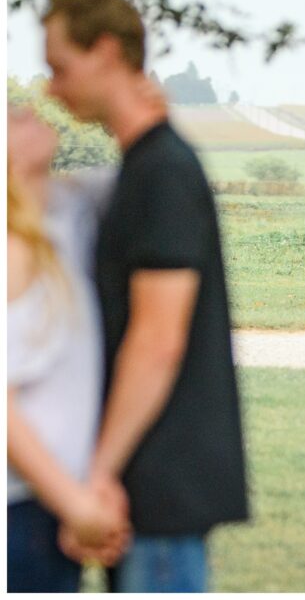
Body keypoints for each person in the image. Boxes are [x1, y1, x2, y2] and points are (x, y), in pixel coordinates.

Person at [42, 0, 250, 593]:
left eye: (60, 66)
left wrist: (97, 475)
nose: (52, 86)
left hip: (159, 484)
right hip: (145, 478)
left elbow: (158, 341)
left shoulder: (161, 174)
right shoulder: (143, 167)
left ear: (106, 51)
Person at [7, 105, 131, 592]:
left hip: (47, 505)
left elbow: (141, 169)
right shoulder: (12, 251)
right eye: (10, 119)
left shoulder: (61, 212)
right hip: (21, 511)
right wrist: (75, 506)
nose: (26, 111)